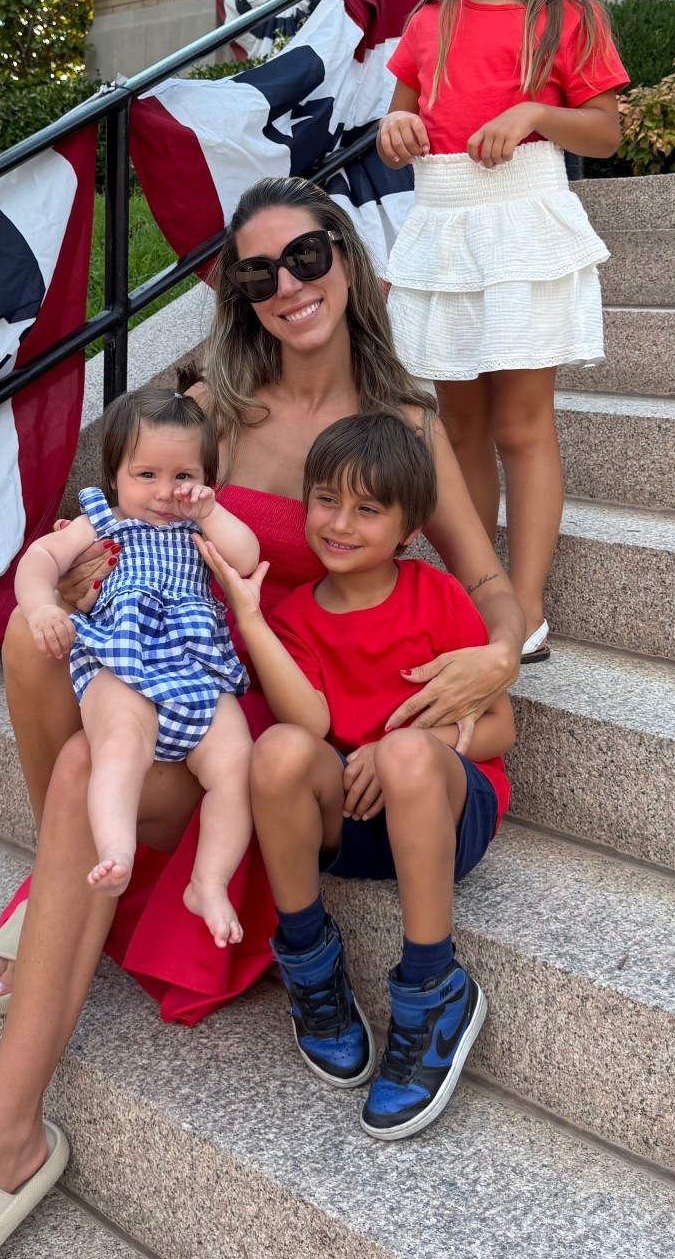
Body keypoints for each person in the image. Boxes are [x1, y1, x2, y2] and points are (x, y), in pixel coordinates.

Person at [0, 176, 524, 1259]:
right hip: (201, 682)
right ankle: (35, 975)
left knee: (92, 761)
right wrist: (79, 575)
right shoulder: (212, 402)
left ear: (346, 259)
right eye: (256, 272)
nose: (287, 286)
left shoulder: (402, 425)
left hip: (285, 730)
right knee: (33, 647)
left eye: (307, 255)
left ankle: (6, 1118)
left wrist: (499, 655)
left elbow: (487, 582)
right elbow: (135, 503)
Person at [201, 411, 514, 1141]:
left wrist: (405, 743)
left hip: (445, 809)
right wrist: (250, 617)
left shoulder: (436, 597)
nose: (340, 524)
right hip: (355, 818)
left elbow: (500, 727)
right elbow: (307, 727)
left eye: (368, 509)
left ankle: (434, 988)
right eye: (327, 500)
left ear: (408, 530)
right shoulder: (299, 619)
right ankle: (311, 966)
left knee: (404, 752)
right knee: (275, 748)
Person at [378, 0, 628, 663]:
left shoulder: (569, 16)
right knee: (460, 425)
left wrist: (532, 114)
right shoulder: (427, 21)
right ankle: (475, 591)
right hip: (446, 225)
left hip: (523, 223)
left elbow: (604, 133)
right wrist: (400, 127)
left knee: (522, 426)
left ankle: (524, 608)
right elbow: (401, 118)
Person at [14, 387, 259, 949]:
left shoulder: (201, 528)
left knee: (235, 762)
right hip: (121, 662)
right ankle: (116, 848)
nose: (165, 492)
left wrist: (213, 511)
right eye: (145, 474)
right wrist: (42, 606)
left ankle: (209, 880)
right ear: (116, 473)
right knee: (120, 745)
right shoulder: (100, 519)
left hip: (197, 673)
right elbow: (38, 560)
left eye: (183, 476)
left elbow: (245, 560)